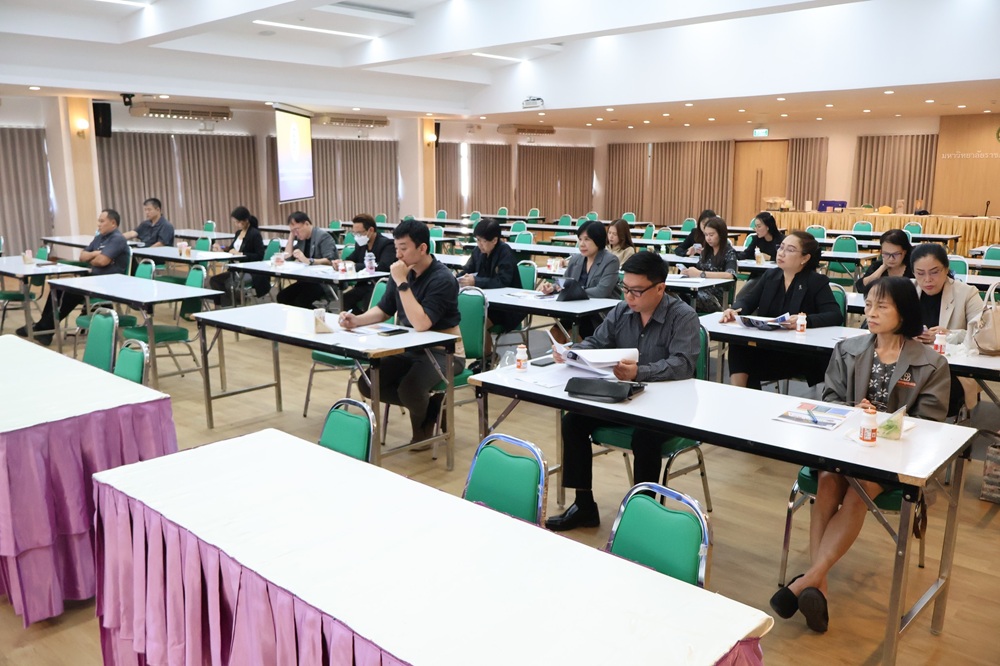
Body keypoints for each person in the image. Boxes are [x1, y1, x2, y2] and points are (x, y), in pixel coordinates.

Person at [769, 276, 950, 633]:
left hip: (893, 455)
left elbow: (931, 425)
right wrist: (854, 411)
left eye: (882, 306)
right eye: (868, 305)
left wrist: (886, 422)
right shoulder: (848, 349)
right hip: (846, 446)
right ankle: (816, 584)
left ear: (903, 312)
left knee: (858, 493)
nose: (871, 313)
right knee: (827, 480)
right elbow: (830, 399)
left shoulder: (931, 363)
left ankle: (808, 580)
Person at [544, 251, 701, 531]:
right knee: (573, 423)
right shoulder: (622, 310)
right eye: (625, 288)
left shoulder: (683, 316)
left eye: (637, 291)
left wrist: (640, 372)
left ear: (660, 288)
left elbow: (683, 364)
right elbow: (597, 341)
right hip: (626, 397)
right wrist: (572, 352)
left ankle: (643, 516)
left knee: (645, 437)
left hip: (670, 406)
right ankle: (584, 506)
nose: (629, 296)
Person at [340, 219, 465, 444]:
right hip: (410, 347)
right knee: (368, 383)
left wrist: (401, 282)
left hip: (445, 351)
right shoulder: (402, 271)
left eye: (403, 249)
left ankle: (425, 424)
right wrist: (357, 320)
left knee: (410, 389)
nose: (398, 255)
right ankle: (432, 406)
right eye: (396, 248)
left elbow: (421, 323)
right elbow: (384, 309)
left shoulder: (442, 278)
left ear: (422, 248)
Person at [720, 230, 843, 389]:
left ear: (805, 258)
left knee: (748, 364)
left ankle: (743, 396)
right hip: (768, 346)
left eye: (790, 250)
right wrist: (734, 310)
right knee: (738, 344)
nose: (781, 253)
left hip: (798, 352)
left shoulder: (816, 282)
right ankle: (739, 393)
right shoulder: (770, 276)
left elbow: (835, 315)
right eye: (781, 247)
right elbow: (748, 301)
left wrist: (804, 320)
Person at [17, 209, 129, 346]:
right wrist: (96, 253)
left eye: (102, 221)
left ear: (113, 223)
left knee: (70, 292)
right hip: (93, 279)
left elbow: (101, 261)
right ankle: (43, 327)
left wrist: (94, 257)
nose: (98, 224)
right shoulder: (100, 237)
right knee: (57, 288)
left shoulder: (117, 239)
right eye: (98, 221)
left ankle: (44, 329)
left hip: (108, 283)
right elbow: (82, 256)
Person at [910, 242, 984, 415]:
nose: (927, 279)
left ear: (946, 269)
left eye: (934, 272)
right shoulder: (908, 291)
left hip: (953, 368)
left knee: (936, 390)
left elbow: (981, 334)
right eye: (920, 273)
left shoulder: (967, 293)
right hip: (913, 361)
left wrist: (949, 335)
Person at [539, 220, 621, 341]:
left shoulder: (610, 261)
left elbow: (602, 291)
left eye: (587, 239)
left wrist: (574, 291)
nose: (581, 244)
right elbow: (564, 282)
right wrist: (553, 288)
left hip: (598, 315)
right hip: (575, 311)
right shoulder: (576, 259)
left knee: (573, 335)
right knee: (555, 333)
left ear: (598, 240)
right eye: (580, 239)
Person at [458, 218, 523, 362]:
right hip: (485, 302)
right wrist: (455, 279)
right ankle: (484, 357)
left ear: (494, 240)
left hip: (506, 307)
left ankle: (488, 358)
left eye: (483, 241)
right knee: (465, 317)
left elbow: (503, 281)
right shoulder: (478, 251)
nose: (479, 245)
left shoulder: (505, 252)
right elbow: (467, 270)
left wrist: (476, 281)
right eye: (477, 240)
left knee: (477, 321)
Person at [275, 211, 339, 309]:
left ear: (307, 224)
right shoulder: (302, 239)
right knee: (282, 297)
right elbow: (288, 258)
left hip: (323, 282)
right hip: (307, 280)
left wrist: (309, 261)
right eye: (293, 231)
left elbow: (330, 261)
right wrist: (291, 236)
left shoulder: (323, 236)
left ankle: (319, 315)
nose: (296, 233)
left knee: (300, 301)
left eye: (297, 229)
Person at [208, 206, 268, 306]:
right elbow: (232, 249)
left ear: (245, 220)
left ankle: (235, 305)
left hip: (250, 271)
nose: (236, 224)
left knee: (230, 283)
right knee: (214, 280)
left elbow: (259, 255)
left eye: (238, 222)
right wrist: (221, 250)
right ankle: (226, 306)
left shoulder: (254, 234)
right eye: (235, 222)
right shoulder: (238, 233)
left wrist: (241, 254)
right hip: (236, 270)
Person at [339, 213, 395, 314]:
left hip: (377, 285)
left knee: (368, 302)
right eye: (355, 233)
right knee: (343, 300)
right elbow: (350, 259)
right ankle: (357, 319)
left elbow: (383, 267)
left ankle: (364, 319)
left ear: (371, 230)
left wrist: (355, 266)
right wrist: (341, 263)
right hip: (363, 284)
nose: (357, 237)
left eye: (359, 233)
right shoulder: (361, 244)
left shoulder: (387, 244)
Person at [680, 216, 737, 312]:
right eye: (706, 235)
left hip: (716, 297)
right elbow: (698, 271)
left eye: (711, 235)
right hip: (700, 289)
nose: (708, 238)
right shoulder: (705, 252)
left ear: (721, 234)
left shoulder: (729, 252)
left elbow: (730, 275)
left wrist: (701, 274)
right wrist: (688, 272)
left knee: (686, 296)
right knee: (676, 293)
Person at [854, 229, 913, 295]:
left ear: (904, 252)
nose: (891, 259)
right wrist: (883, 267)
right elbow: (861, 288)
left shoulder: (913, 268)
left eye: (896, 254)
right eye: (886, 254)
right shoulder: (877, 266)